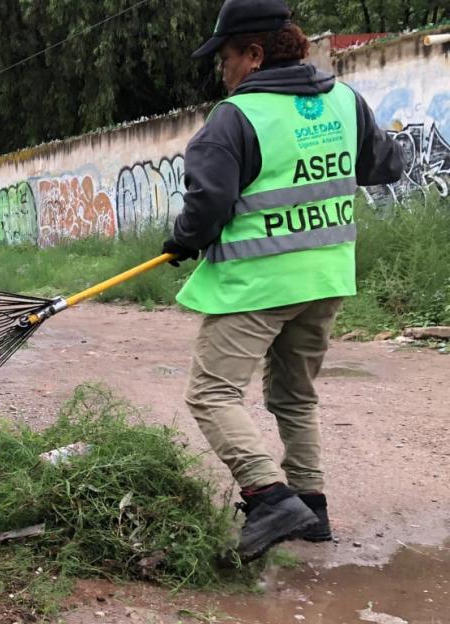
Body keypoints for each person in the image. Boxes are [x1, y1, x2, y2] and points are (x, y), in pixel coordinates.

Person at [164, 0, 403, 561]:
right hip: (325, 278)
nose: (221, 71)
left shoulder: (235, 118)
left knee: (211, 394)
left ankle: (269, 497)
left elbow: (207, 206)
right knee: (295, 396)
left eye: (224, 58)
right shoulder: (345, 100)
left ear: (253, 54)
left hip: (259, 283)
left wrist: (183, 238)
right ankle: (312, 510)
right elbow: (384, 167)